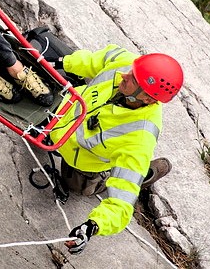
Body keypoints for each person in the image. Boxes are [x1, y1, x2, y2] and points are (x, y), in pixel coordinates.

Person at [45, 45, 184, 254]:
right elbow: (93, 61)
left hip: (81, 161)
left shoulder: (139, 138)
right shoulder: (131, 66)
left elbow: (121, 204)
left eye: (134, 79)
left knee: (79, 186)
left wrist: (92, 226)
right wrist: (62, 63)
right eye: (132, 72)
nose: (124, 75)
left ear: (148, 99)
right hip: (62, 119)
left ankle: (140, 175)